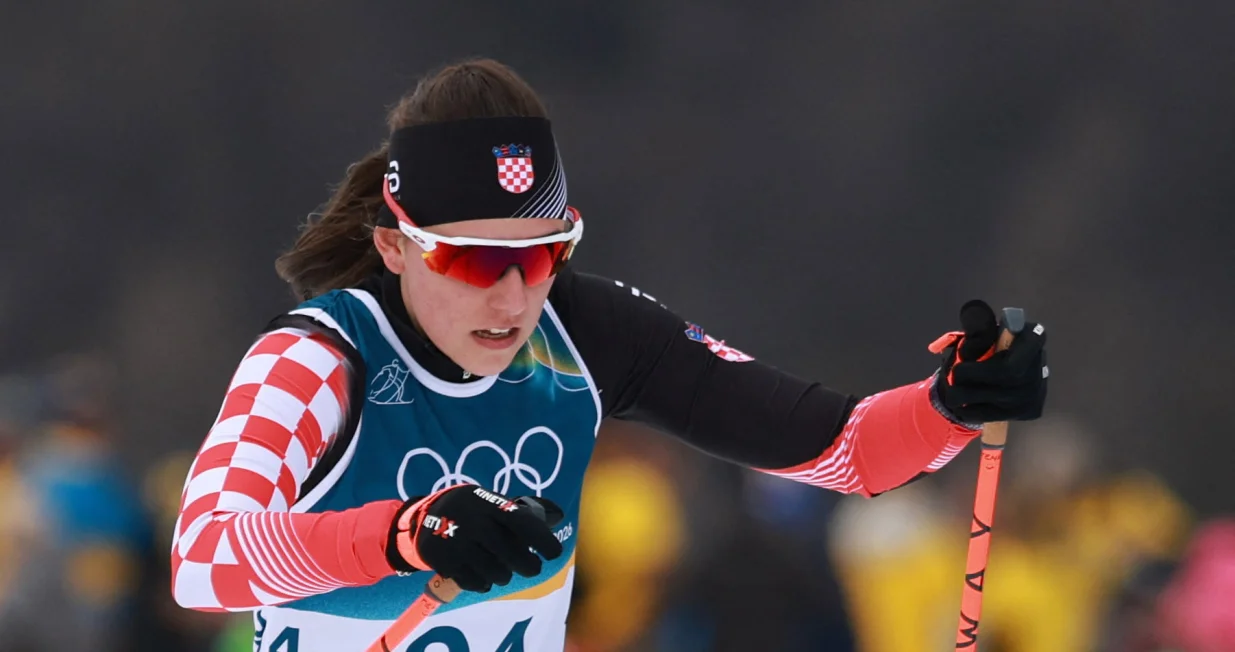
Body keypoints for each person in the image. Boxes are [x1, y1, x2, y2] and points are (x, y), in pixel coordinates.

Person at [169, 58, 1049, 652]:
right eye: (473, 258)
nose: (513, 296)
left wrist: (953, 402)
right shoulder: (321, 357)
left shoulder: (584, 334)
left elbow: (844, 450)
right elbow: (203, 556)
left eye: (544, 252)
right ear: (396, 247)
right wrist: (404, 533)